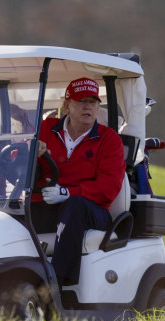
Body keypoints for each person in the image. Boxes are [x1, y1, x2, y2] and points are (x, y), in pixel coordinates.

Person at [32, 77, 126, 286]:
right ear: (67, 106)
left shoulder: (109, 140)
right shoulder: (46, 129)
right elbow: (17, 162)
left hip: (91, 210)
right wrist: (31, 152)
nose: (88, 107)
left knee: (73, 206)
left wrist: (67, 192)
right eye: (81, 101)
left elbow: (107, 189)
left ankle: (58, 282)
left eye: (92, 102)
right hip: (48, 205)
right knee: (14, 213)